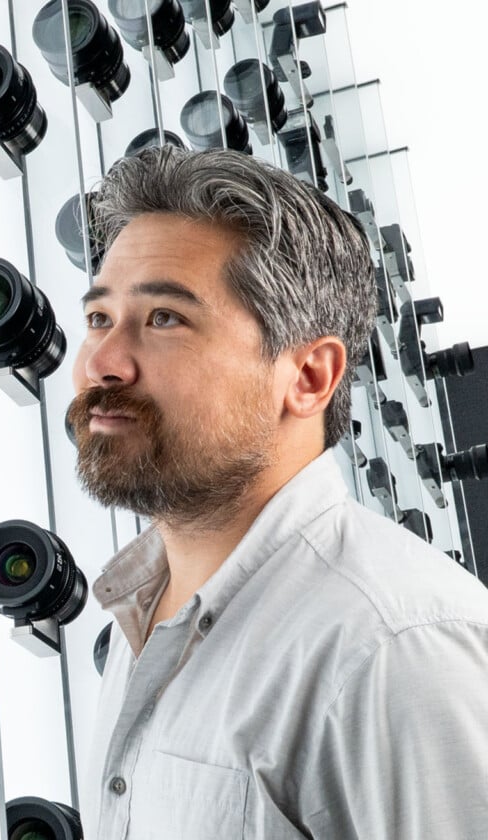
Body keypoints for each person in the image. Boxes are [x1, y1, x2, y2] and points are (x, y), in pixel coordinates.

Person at [66, 146, 488, 839]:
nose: (101, 363)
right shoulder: (143, 613)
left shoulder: (400, 653)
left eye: (165, 318)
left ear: (310, 377)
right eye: (99, 318)